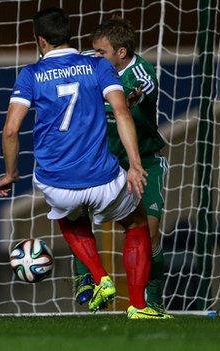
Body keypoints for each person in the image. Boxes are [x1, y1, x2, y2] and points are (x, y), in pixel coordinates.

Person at [0, 8, 170, 319]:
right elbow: (122, 113)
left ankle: (97, 276)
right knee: (137, 225)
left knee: (70, 217)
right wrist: (133, 164)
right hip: (103, 175)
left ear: (40, 40)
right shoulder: (97, 66)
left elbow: (10, 130)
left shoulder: (31, 74)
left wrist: (11, 173)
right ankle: (140, 307)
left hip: (56, 180)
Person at [72, 17, 169, 311]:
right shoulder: (94, 61)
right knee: (76, 211)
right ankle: (87, 282)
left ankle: (151, 298)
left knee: (148, 232)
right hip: (105, 161)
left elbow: (134, 93)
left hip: (143, 162)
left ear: (122, 53)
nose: (96, 56)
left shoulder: (141, 74)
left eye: (102, 52)